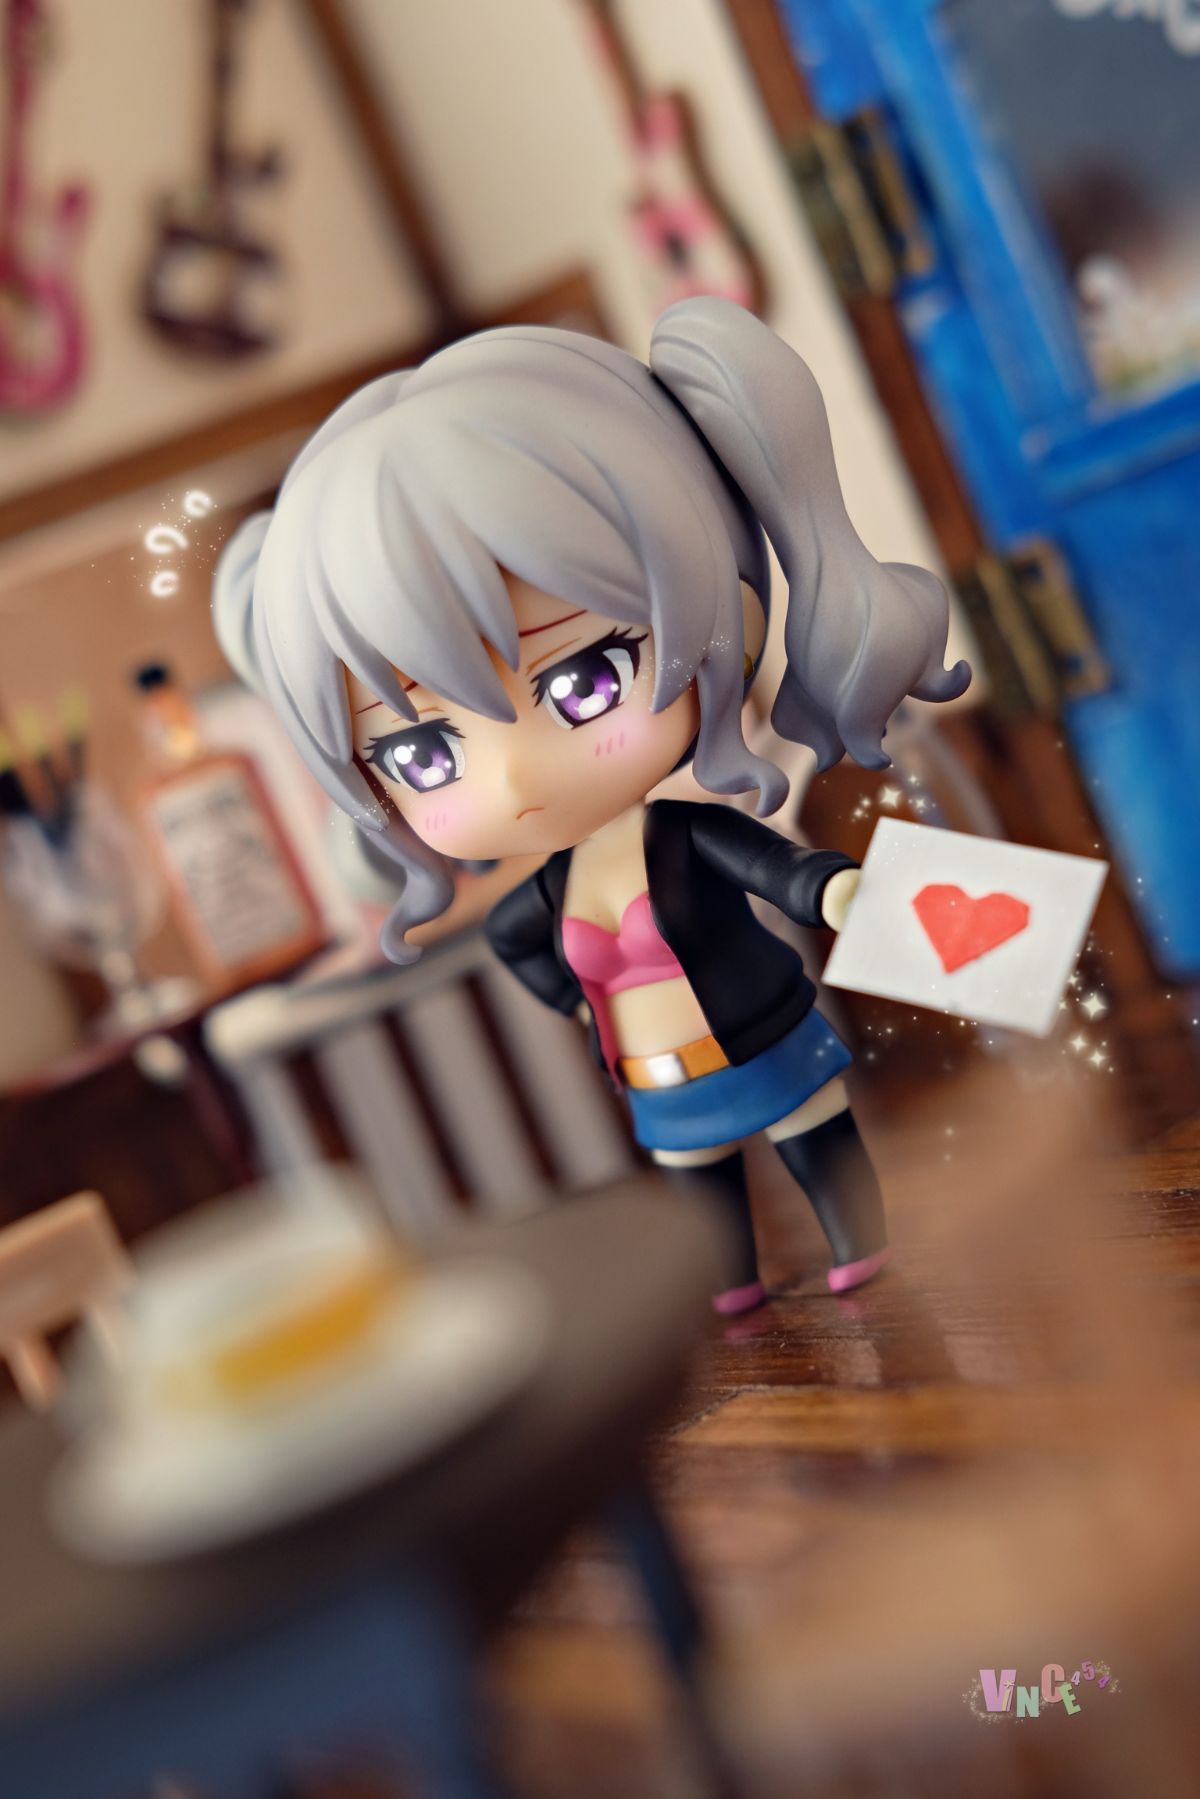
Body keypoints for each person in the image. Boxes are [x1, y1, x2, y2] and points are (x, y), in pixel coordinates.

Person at [214, 297, 969, 1312]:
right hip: (658, 1072)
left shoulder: (686, 832)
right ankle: (733, 1279)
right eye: (422, 752)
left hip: (762, 1035)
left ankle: (854, 1239)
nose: (517, 780)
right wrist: (577, 1001)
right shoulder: (549, 890)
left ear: (723, 609)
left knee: (809, 1128)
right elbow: (519, 943)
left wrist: (833, 892)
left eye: (586, 679)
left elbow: (770, 868)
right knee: (700, 1181)